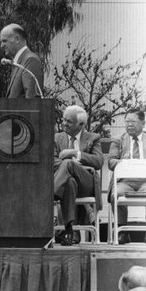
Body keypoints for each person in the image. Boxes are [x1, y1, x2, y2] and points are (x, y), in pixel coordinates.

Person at [108, 108, 146, 245]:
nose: (129, 125)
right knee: (117, 193)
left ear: (143, 123)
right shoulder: (118, 140)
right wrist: (126, 163)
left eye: (133, 121)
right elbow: (111, 162)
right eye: (127, 121)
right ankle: (122, 232)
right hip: (125, 181)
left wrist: (143, 165)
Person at [53, 105, 103, 246]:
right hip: (65, 184)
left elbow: (98, 161)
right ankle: (69, 230)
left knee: (69, 163)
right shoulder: (57, 138)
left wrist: (76, 154)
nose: (64, 123)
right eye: (63, 120)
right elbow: (51, 160)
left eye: (69, 121)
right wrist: (68, 165)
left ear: (81, 124)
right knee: (69, 182)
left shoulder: (93, 138)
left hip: (86, 183)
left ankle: (51, 194)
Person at [0, 23, 44, 98]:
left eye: (4, 41)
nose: (1, 46)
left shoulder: (30, 60)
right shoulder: (18, 62)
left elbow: (32, 101)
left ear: (17, 39)